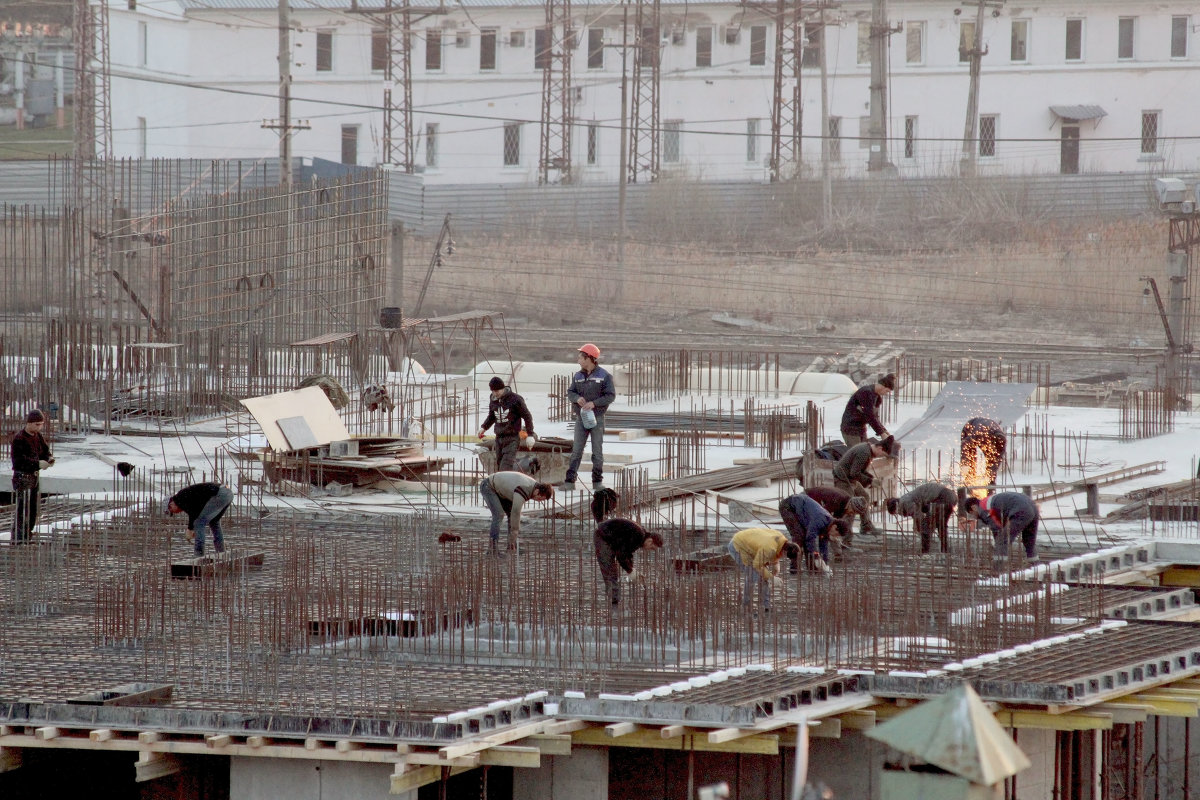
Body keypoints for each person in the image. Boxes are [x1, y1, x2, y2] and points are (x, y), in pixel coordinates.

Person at [591, 488, 663, 609]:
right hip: (602, 537)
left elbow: (627, 553)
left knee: (612, 571)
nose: (648, 550)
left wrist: (631, 568)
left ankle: (614, 599)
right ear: (650, 541)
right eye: (651, 548)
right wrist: (630, 571)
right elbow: (621, 554)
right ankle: (614, 603)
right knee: (609, 570)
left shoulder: (639, 536)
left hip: (608, 537)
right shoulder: (638, 535)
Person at [561, 343, 616, 493]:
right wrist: (576, 398)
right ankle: (569, 481)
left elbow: (610, 396)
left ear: (589, 358)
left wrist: (594, 403)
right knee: (577, 450)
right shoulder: (578, 376)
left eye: (580, 357)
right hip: (581, 418)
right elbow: (570, 392)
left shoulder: (604, 376)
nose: (578, 360)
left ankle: (597, 481)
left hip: (597, 419)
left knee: (597, 451)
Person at [478, 471, 555, 555]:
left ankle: (512, 546)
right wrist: (514, 535)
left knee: (510, 515)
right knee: (499, 515)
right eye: (540, 498)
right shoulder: (524, 489)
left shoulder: (533, 487)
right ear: (537, 491)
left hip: (501, 491)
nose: (539, 501)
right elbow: (516, 513)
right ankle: (492, 549)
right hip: (488, 486)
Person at [726, 528, 801, 613]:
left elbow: (772, 551)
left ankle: (766, 606)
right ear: (785, 551)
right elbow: (757, 565)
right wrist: (771, 577)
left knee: (764, 578)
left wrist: (775, 563)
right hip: (738, 546)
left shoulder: (781, 539)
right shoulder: (769, 548)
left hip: (751, 545)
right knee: (753, 575)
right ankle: (746, 605)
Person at [831, 435, 894, 535]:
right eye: (882, 454)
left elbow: (860, 470)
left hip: (850, 479)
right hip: (842, 479)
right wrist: (870, 481)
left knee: (864, 496)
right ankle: (846, 536)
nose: (880, 456)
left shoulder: (867, 449)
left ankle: (866, 525)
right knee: (849, 506)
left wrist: (871, 478)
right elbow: (854, 473)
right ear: (879, 448)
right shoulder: (864, 452)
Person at [10, 408, 54, 544]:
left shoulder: (38, 436)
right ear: (29, 423)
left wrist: (48, 459)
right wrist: (37, 464)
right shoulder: (19, 439)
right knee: (23, 510)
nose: (39, 427)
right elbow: (18, 462)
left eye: (41, 424)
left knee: (33, 510)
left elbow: (45, 451)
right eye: (36, 424)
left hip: (34, 478)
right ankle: (19, 539)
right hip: (22, 478)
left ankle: (27, 536)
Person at [962, 492, 1040, 565]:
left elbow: (996, 528)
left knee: (1002, 540)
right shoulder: (989, 502)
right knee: (1029, 540)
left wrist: (997, 545)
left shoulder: (983, 508)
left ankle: (998, 569)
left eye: (972, 513)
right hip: (1033, 507)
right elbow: (1000, 523)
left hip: (1021, 509)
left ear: (974, 507)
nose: (974, 516)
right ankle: (1035, 565)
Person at [479, 376, 536, 472]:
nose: (495, 393)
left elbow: (527, 416)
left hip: (512, 438)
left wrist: (530, 434)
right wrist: (484, 427)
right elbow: (492, 416)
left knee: (505, 467)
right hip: (499, 438)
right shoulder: (493, 400)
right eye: (493, 391)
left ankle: (507, 484)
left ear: (503, 388)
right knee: (500, 465)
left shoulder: (515, 399)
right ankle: (510, 480)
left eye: (497, 391)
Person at [777, 493, 842, 576]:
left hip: (801, 509)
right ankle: (794, 569)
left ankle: (812, 569)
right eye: (836, 534)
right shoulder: (820, 520)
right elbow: (810, 538)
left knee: (807, 540)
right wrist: (816, 557)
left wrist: (824, 564)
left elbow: (823, 546)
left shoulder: (827, 526)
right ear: (835, 527)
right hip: (789, 506)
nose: (835, 536)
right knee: (799, 536)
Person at [886, 483, 958, 555]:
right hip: (951, 497)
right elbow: (919, 512)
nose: (899, 514)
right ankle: (944, 550)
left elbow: (918, 516)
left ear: (896, 507)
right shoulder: (909, 498)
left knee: (925, 526)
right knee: (941, 525)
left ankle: (925, 552)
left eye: (895, 513)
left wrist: (919, 528)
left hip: (942, 497)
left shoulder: (904, 502)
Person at [167, 482, 234, 558]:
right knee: (214, 521)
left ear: (171, 504)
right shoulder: (183, 498)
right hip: (228, 493)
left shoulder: (180, 498)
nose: (175, 513)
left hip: (220, 494)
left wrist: (190, 529)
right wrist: (191, 529)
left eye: (172, 511)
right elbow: (195, 512)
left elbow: (194, 514)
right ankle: (221, 552)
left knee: (199, 522)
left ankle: (199, 555)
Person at [839, 373, 895, 446]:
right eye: (887, 391)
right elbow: (869, 415)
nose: (886, 394)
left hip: (861, 429)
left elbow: (874, 417)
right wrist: (881, 433)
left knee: (864, 451)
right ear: (882, 386)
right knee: (857, 453)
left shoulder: (877, 398)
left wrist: (884, 431)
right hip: (851, 429)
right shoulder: (865, 392)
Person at [961, 417, 1007, 489]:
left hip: (987, 435)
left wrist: (990, 475)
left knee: (991, 463)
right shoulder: (981, 433)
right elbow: (965, 444)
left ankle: (990, 489)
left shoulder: (1002, 443)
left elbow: (996, 462)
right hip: (970, 428)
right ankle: (970, 484)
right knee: (971, 458)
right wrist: (965, 463)